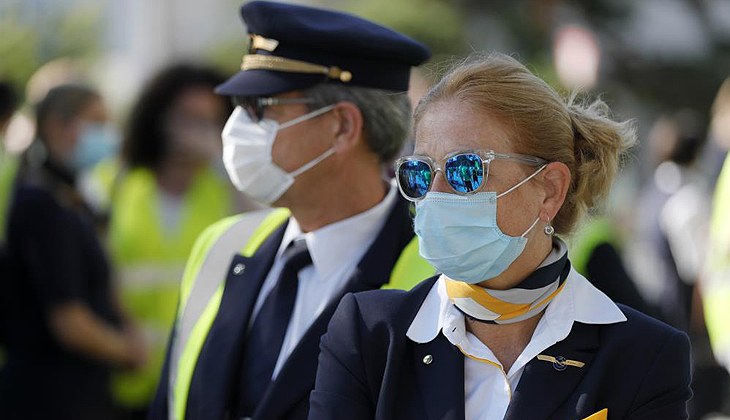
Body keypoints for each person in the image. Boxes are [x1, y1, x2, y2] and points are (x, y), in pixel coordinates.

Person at [310, 53, 692, 420]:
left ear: (549, 190)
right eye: (421, 172)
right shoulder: (367, 336)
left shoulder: (645, 356)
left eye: (465, 170)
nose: (436, 193)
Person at [148, 2, 432, 420]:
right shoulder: (223, 245)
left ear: (342, 127)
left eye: (260, 108)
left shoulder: (437, 273)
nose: (234, 128)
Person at [89, 64, 243, 419]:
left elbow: (265, 227)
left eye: (208, 120)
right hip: (119, 375)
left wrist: (225, 161)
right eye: (186, 117)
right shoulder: (113, 182)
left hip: (200, 377)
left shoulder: (225, 189)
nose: (195, 130)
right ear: (160, 117)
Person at [0, 85, 145, 420]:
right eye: (96, 121)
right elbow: (69, 321)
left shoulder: (70, 194)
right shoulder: (40, 203)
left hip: (78, 390)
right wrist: (130, 352)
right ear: (56, 126)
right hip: (49, 395)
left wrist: (127, 324)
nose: (107, 133)